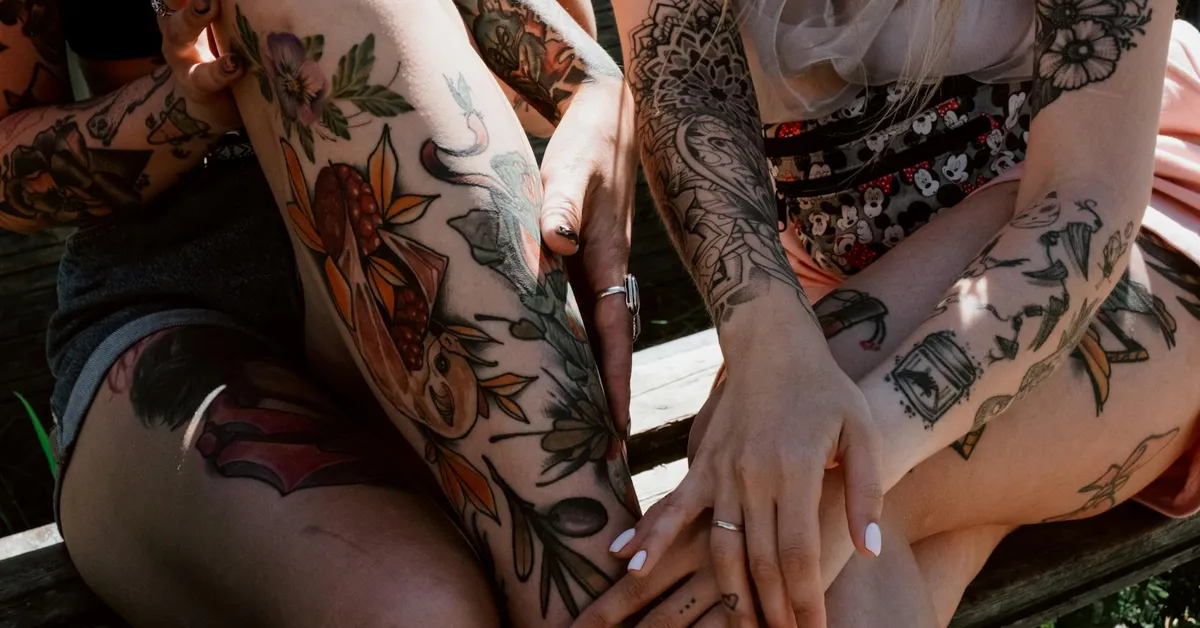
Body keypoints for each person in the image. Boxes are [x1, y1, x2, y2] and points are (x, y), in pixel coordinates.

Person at [2, 0, 645, 625]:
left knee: (591, 589)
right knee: (417, 613)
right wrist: (183, 107)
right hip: (174, 317)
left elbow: (552, 76)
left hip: (430, 260)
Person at [571, 1, 1200, 627]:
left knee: (811, 497)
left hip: (1123, 228)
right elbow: (685, 81)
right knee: (780, 515)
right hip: (836, 278)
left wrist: (863, 453)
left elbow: (1084, 196)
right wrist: (770, 347)